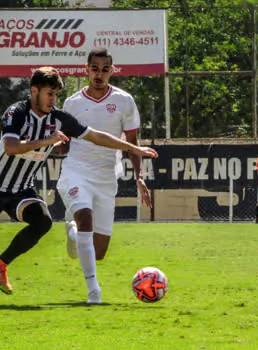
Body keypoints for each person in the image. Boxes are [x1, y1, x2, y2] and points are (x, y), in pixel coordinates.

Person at [0, 67, 159, 305]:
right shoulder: (16, 113)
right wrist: (47, 140)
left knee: (43, 222)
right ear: (34, 91)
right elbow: (12, 148)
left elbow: (95, 135)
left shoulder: (58, 118)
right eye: (49, 94)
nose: (53, 100)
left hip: (21, 190)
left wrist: (132, 147)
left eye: (56, 94)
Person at [56, 48, 155, 304]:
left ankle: (73, 234)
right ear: (86, 69)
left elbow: (132, 141)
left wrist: (139, 177)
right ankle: (94, 292)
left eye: (104, 69)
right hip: (77, 169)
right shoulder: (72, 103)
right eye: (94, 68)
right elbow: (65, 143)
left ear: (112, 71)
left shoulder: (125, 101)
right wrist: (52, 146)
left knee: (98, 252)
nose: (99, 74)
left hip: (107, 175)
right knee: (85, 217)